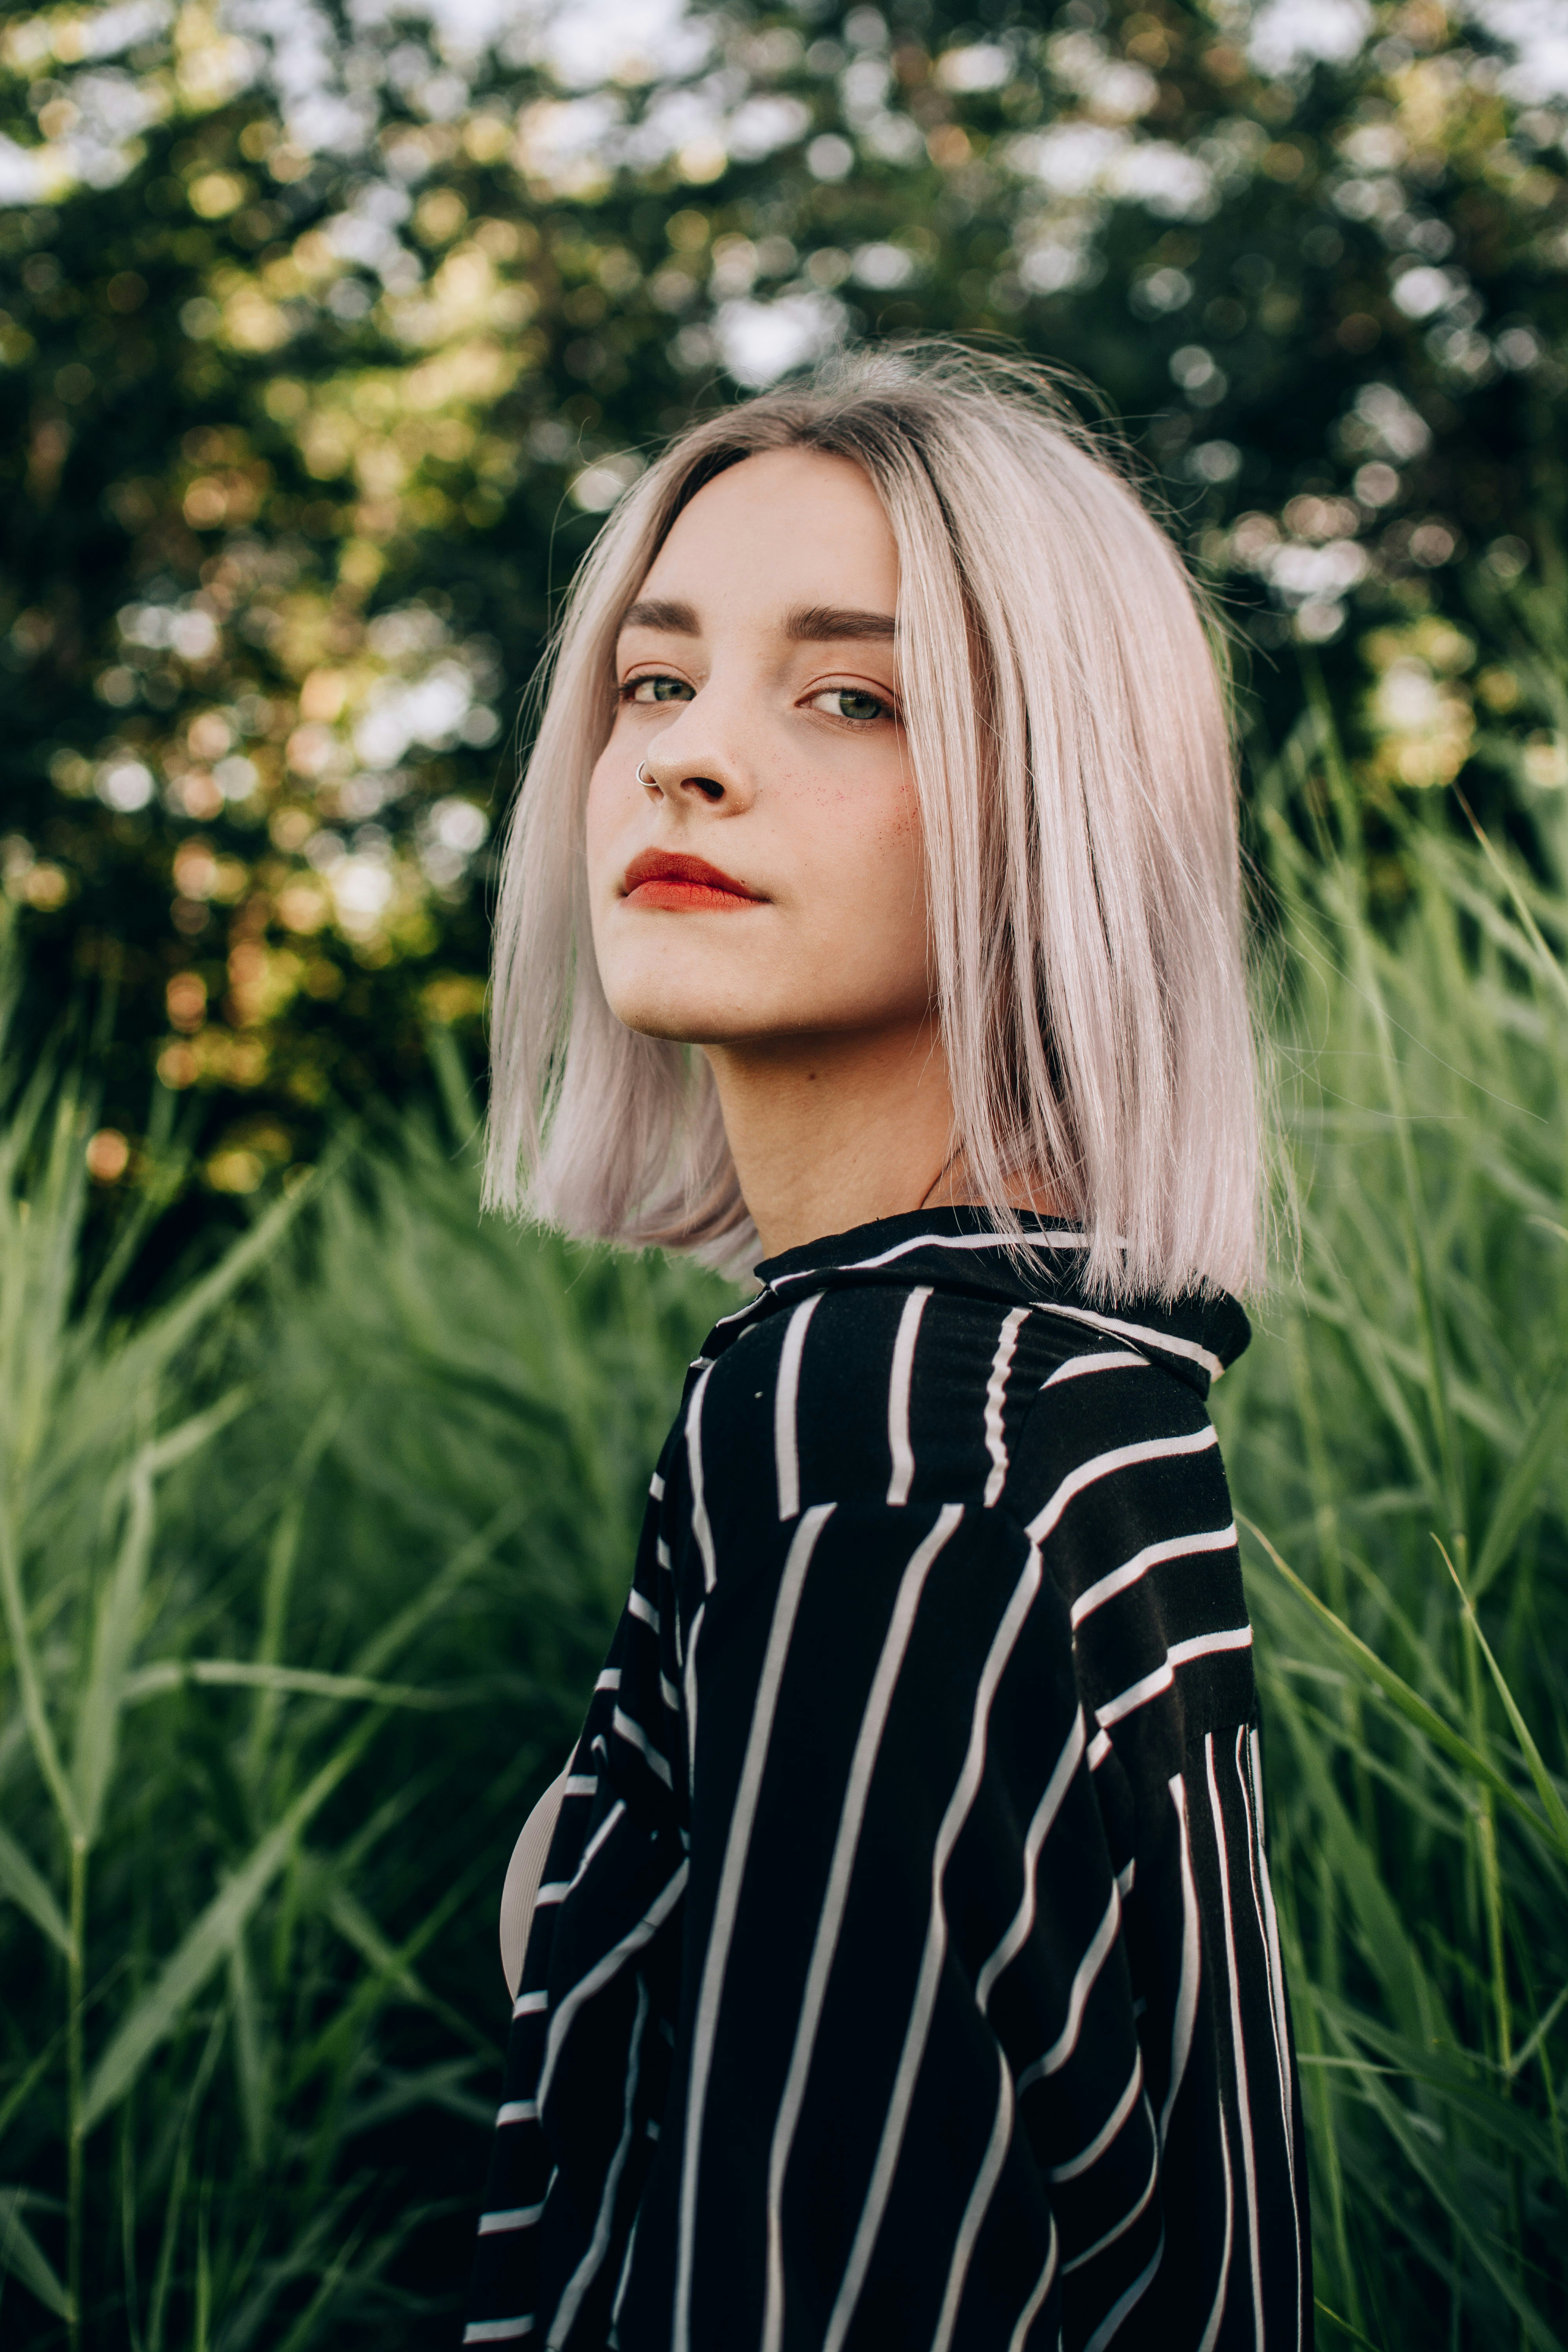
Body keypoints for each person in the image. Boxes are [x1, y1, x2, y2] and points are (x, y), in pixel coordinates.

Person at [465, 345, 1308, 2352]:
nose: (687, 757)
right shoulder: (1083, 1391)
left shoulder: (881, 1439)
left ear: (1067, 808)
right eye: (657, 683)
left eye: (852, 695)